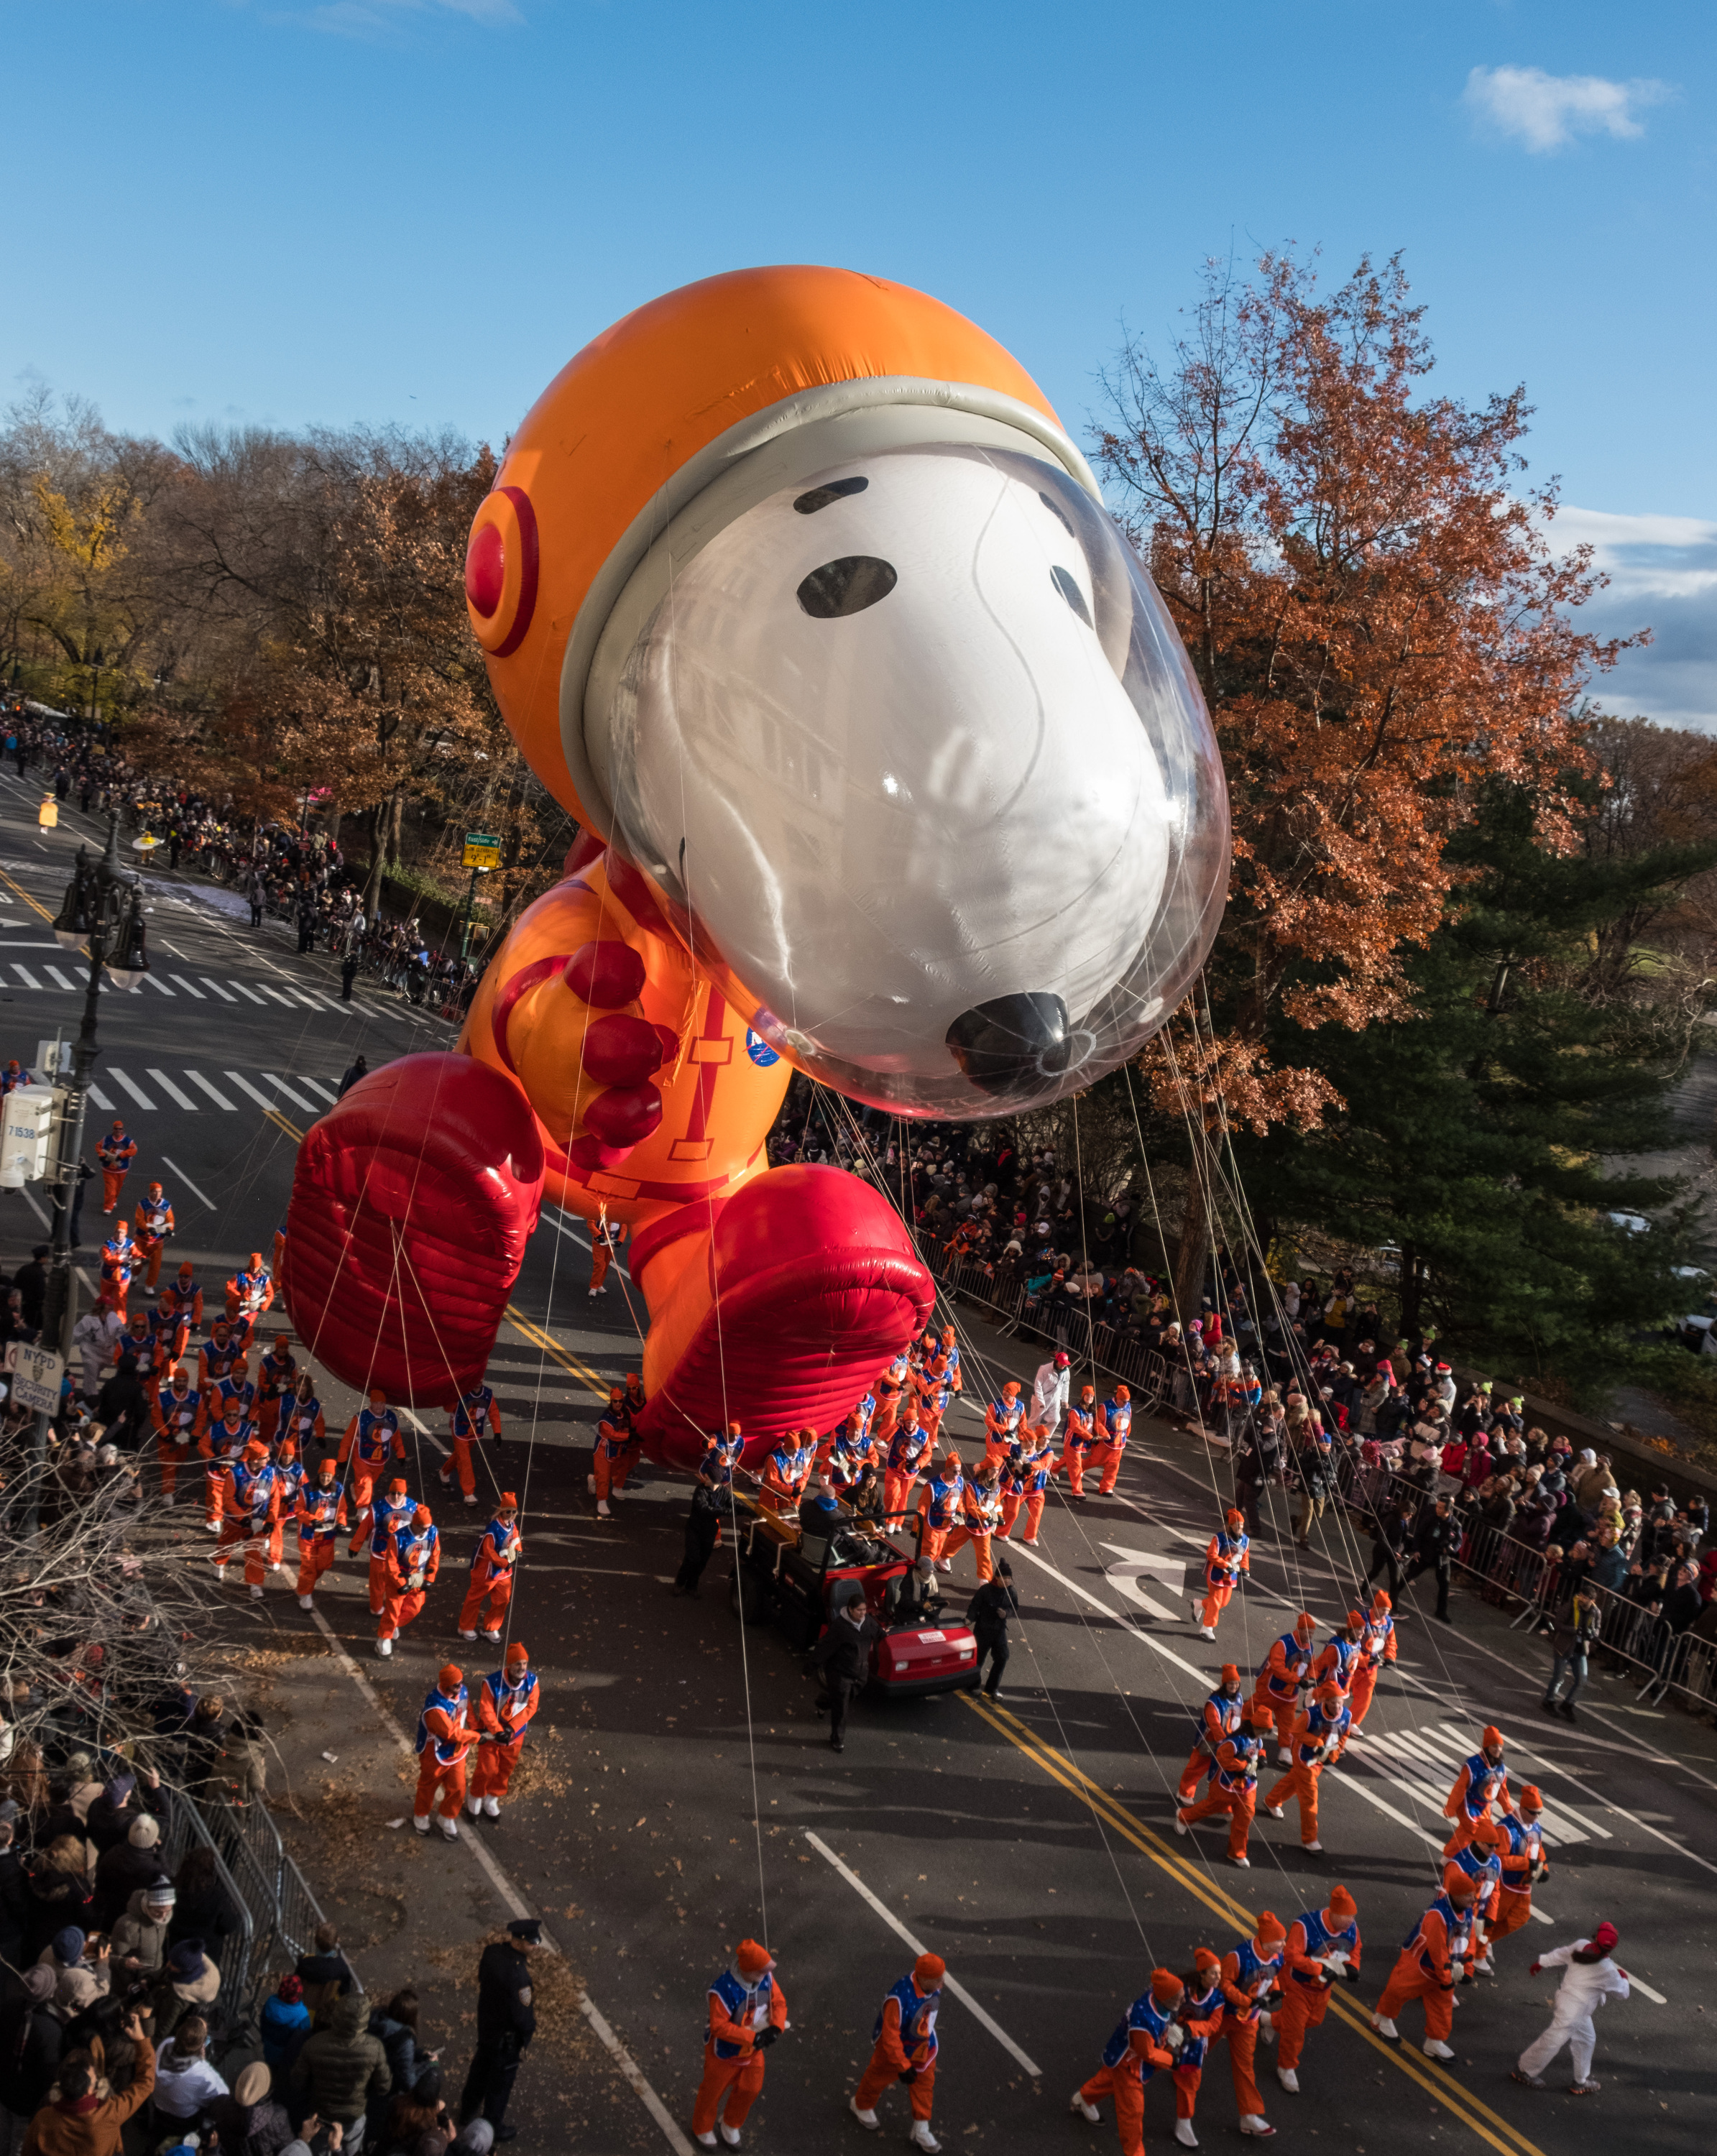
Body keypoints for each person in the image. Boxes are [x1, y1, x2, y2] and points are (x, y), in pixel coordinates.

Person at [1070, 1967, 1183, 2153]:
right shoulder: (1143, 2020)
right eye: (1179, 1997)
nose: (1183, 2000)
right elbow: (1147, 2053)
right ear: (1166, 1999)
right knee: (1132, 2113)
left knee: (1111, 2080)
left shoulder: (1157, 2001)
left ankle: (1085, 2098)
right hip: (1130, 2065)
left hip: (1123, 2058)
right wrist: (1172, 2060)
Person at [1511, 1923, 1630, 2095]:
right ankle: (1524, 2070)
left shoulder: (1581, 1945)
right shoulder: (1607, 1969)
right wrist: (1624, 1978)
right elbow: (1622, 1993)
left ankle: (1580, 2081)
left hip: (1571, 2005)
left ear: (1595, 1936)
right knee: (1553, 2041)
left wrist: (1541, 1962)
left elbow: (1561, 1954)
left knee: (1587, 2039)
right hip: (1575, 2011)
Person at [691, 1938, 786, 2152]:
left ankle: (731, 2123)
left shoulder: (765, 1977)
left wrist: (777, 2027)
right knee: (713, 2092)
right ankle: (702, 2127)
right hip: (724, 2053)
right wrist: (752, 2038)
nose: (765, 1976)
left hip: (752, 2050)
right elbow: (719, 2027)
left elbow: (778, 2002)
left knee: (751, 2088)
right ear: (748, 1970)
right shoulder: (723, 1990)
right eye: (760, 1972)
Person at [19, 2009, 152, 2156]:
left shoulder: (43, 2119)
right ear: (89, 2090)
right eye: (95, 2077)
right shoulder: (109, 2113)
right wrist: (141, 2040)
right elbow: (145, 2082)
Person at [1370, 1876, 1474, 2061]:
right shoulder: (1437, 1915)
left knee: (1442, 2006)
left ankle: (1435, 2041)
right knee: (1399, 1990)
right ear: (1456, 1894)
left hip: (1445, 1969)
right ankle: (1382, 2018)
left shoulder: (1466, 1912)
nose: (1473, 1899)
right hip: (1420, 1963)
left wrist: (1467, 1969)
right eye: (1468, 1895)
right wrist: (1446, 1977)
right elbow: (1437, 1950)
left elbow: (1468, 1941)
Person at [850, 1953, 944, 2152]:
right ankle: (861, 2104)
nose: (942, 1983)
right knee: (878, 2077)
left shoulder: (931, 1986)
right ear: (925, 1979)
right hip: (894, 2050)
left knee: (924, 2085)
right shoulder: (899, 1998)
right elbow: (890, 2034)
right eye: (938, 1979)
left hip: (922, 2047)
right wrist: (902, 2064)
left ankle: (921, 2127)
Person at [460, 1917, 542, 2145]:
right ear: (519, 1942)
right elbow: (522, 2016)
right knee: (500, 2084)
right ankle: (493, 2125)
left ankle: (467, 2110)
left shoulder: (492, 1952)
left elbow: (482, 1979)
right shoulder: (519, 1975)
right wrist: (527, 2034)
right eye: (532, 1943)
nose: (536, 1947)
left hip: (487, 2026)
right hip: (505, 2039)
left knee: (479, 2069)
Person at [1273, 1891, 1361, 2093]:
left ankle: (1270, 2022)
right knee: (1295, 2030)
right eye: (1348, 1917)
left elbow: (1355, 1948)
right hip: (1298, 1984)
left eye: (1353, 1917)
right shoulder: (1304, 1926)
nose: (1352, 1922)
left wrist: (1354, 1965)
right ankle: (1286, 2066)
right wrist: (1319, 1969)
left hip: (1322, 1988)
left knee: (1313, 2020)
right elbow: (1291, 1955)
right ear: (1334, 1913)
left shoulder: (1351, 1928)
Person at [290, 1989, 392, 2149]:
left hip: (321, 2117)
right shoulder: (374, 2048)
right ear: (365, 2019)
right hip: (353, 2116)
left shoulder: (314, 2043)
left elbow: (297, 2082)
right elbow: (384, 2087)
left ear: (337, 2015)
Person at [1217, 1913, 1286, 2139]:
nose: (1284, 1945)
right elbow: (1223, 1984)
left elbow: (1273, 1975)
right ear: (1266, 1941)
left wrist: (1275, 1989)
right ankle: (1179, 2067)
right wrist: (1247, 2001)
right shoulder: (1238, 1958)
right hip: (1222, 2016)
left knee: (1245, 2066)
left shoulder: (1276, 1957)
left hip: (1249, 2020)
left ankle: (1249, 2115)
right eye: (1280, 1940)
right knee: (1200, 2048)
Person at [1175, 1711, 1266, 1868]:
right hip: (1227, 1784)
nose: (1263, 1734)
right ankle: (1184, 1817)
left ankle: (1237, 1852)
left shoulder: (1257, 1740)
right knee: (1211, 1806)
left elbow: (1259, 1750)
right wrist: (1243, 1766)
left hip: (1247, 1786)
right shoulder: (1233, 1742)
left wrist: (1263, 1757)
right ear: (1254, 1726)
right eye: (1261, 1730)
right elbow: (1223, 1759)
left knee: (1245, 1817)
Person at [468, 1644, 540, 1822]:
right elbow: (486, 1710)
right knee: (486, 1770)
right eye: (517, 1664)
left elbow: (531, 1707)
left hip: (516, 1736)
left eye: (524, 1663)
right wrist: (498, 1730)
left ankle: (492, 1799)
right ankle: (475, 1797)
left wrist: (512, 1728)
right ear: (509, 1665)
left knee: (505, 1769)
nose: (522, 1668)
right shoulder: (492, 1683)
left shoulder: (532, 1681)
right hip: (492, 1736)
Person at [811, 1582, 878, 1754]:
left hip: (860, 1674)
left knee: (844, 1700)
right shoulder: (840, 1627)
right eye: (859, 1611)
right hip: (840, 1673)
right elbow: (825, 1647)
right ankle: (837, 1740)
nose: (863, 1614)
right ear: (850, 1609)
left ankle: (823, 1703)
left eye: (864, 1610)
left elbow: (878, 1631)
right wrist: (810, 1667)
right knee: (842, 1709)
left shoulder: (868, 1622)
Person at [414, 1667, 478, 1840]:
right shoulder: (435, 1707)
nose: (460, 1687)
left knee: (458, 1787)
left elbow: (468, 1711)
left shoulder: (463, 1691)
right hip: (435, 1753)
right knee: (428, 1786)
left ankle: (447, 1817)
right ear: (445, 1685)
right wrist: (478, 1737)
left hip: (458, 1751)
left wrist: (477, 1727)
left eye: (460, 1683)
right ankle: (420, 1815)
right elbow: (451, 1734)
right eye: (455, 1685)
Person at [674, 1434, 737, 1598]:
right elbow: (704, 1508)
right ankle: (680, 1583)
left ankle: (692, 1586)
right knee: (692, 1558)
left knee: (702, 1562)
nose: (704, 1479)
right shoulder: (700, 1491)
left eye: (708, 1478)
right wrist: (724, 1511)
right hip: (695, 1529)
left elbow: (732, 1504)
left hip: (709, 1532)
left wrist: (745, 1510)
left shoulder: (722, 1493)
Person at [1442, 1725, 1514, 1857]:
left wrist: (1507, 1806)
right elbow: (1460, 1788)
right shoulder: (1473, 1765)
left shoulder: (1500, 1766)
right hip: (1469, 1808)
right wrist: (1451, 1807)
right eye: (1494, 1746)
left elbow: (1501, 1789)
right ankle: (1450, 1859)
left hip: (1485, 1810)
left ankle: (1460, 1859)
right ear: (1487, 1747)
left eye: (1500, 1746)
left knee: (1476, 1836)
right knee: (1471, 1833)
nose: (1498, 1749)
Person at [459, 1495, 522, 1641]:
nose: (511, 1515)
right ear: (501, 1511)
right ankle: (465, 1626)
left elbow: (515, 1539)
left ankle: (491, 1627)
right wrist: (504, 1563)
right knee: (475, 1599)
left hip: (503, 1572)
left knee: (503, 1599)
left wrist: (516, 1552)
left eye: (514, 1512)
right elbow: (488, 1551)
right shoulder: (493, 1528)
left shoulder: (512, 1526)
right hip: (486, 1571)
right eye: (508, 1512)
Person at [380, 1504, 441, 1657]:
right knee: (393, 1609)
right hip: (400, 1578)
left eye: (428, 1527)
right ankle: (384, 1639)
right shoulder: (398, 1538)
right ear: (415, 1524)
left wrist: (430, 1578)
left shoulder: (432, 1532)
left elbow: (435, 1556)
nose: (426, 1530)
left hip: (418, 1577)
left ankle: (393, 1626)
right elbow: (391, 1563)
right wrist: (400, 1584)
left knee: (415, 1607)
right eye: (423, 1527)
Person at [351, 1475, 415, 1618]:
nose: (396, 1496)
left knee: (401, 1581)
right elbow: (365, 1527)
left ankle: (400, 1604)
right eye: (393, 1493)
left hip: (402, 1554)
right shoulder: (378, 1508)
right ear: (389, 1492)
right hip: (380, 1551)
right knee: (377, 1582)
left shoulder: (413, 1507)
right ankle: (376, 1607)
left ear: (405, 1494)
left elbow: (423, 1528)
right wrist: (355, 1546)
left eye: (400, 1493)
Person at [154, 2014, 229, 2128]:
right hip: (181, 2118)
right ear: (202, 2046)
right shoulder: (202, 2076)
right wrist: (203, 2062)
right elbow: (223, 2095)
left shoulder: (166, 2043)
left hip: (157, 2103)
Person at [295, 1455, 349, 1611]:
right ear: (319, 1475)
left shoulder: (338, 1489)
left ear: (333, 1477)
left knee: (323, 1564)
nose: (325, 1479)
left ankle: (306, 1585)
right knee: (309, 1566)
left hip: (327, 1535)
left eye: (329, 1476)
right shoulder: (307, 1490)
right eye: (323, 1475)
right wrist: (311, 1520)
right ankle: (305, 1595)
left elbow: (342, 1510)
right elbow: (299, 1510)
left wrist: (341, 1524)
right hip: (308, 1534)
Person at [442, 1383, 502, 1508]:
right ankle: (468, 1493)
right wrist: (451, 1395)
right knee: (465, 1460)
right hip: (459, 1430)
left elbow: (494, 1411)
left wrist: (497, 1431)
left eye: (481, 1376)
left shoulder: (487, 1394)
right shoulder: (461, 1392)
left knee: (462, 1455)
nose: (480, 1379)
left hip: (475, 1431)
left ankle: (444, 1471)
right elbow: (448, 1408)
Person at [965, 1561, 1018, 1699]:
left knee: (1003, 1657)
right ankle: (973, 1685)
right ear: (996, 1578)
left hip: (999, 1630)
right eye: (1004, 1578)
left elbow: (1014, 1608)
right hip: (983, 1630)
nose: (1007, 1581)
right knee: (979, 1659)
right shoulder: (985, 1590)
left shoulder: (1011, 1591)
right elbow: (975, 1605)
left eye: (1009, 1578)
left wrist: (1006, 1613)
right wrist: (969, 1619)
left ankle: (992, 1688)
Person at [1194, 1511, 1250, 1640]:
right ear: (1230, 1526)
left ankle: (1199, 1604)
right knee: (1215, 1601)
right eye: (1236, 1525)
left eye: (1241, 1525)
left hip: (1231, 1576)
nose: (1239, 1528)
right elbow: (1211, 1555)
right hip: (1217, 1573)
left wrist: (1245, 1568)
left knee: (1223, 1602)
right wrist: (1224, 1565)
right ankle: (1207, 1628)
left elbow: (1245, 1554)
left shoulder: (1245, 1540)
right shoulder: (1220, 1538)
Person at [1402, 1495, 1456, 1623]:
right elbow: (1419, 1534)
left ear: (1448, 1510)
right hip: (1426, 1554)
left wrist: (1451, 1548)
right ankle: (1393, 1593)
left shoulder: (1454, 1524)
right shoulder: (1430, 1520)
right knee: (1410, 1575)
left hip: (1442, 1559)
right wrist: (1416, 1550)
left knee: (1444, 1584)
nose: (1437, 1509)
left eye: (1441, 1508)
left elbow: (1458, 1541)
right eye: (1438, 1506)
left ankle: (1441, 1611)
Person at [94, 1122, 137, 1217]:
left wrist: (121, 1156)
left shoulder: (128, 1141)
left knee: (117, 1187)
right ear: (113, 1130)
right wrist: (102, 1155)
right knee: (111, 1189)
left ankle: (113, 1200)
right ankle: (108, 1208)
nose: (118, 1131)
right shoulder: (106, 1139)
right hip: (108, 1169)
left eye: (120, 1129)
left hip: (121, 1169)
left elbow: (134, 1150)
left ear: (123, 1130)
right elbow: (98, 1146)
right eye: (116, 1129)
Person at [588, 1215, 627, 1299]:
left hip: (611, 1243)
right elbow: (591, 1223)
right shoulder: (599, 1210)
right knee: (599, 1263)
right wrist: (598, 1235)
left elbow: (624, 1226)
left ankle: (599, 1284)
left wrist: (620, 1240)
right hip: (599, 1243)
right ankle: (594, 1286)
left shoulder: (619, 1213)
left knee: (605, 1265)